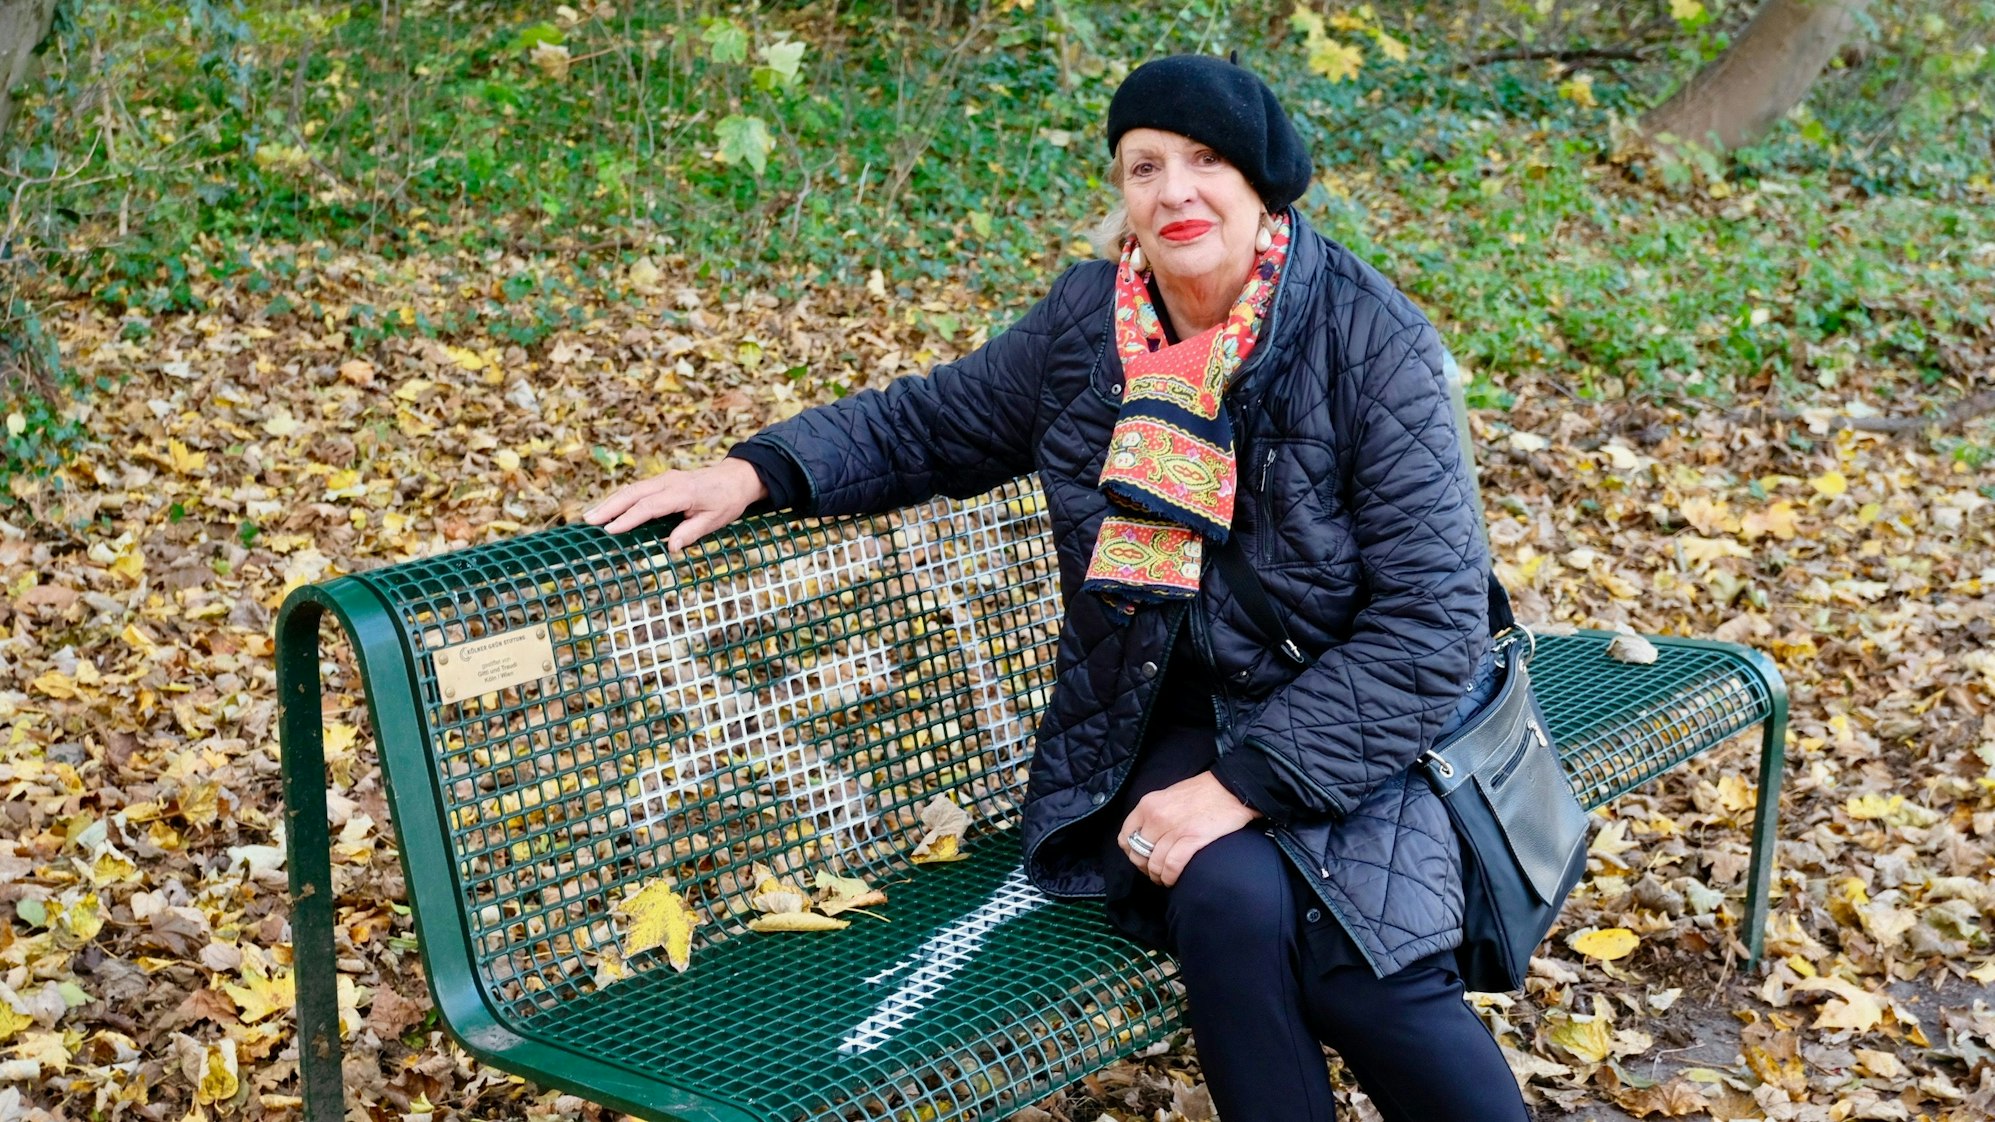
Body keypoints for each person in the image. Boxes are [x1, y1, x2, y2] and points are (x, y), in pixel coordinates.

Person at [584, 53, 1530, 1122]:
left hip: (1365, 718)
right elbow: (929, 424)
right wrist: (758, 468)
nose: (1174, 191)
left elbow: (1431, 628)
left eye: (1205, 160)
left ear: (1264, 182)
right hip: (1162, 712)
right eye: (1144, 166)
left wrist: (1242, 786)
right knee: (1225, 897)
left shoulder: (1369, 338)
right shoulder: (1094, 324)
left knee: (1369, 967)